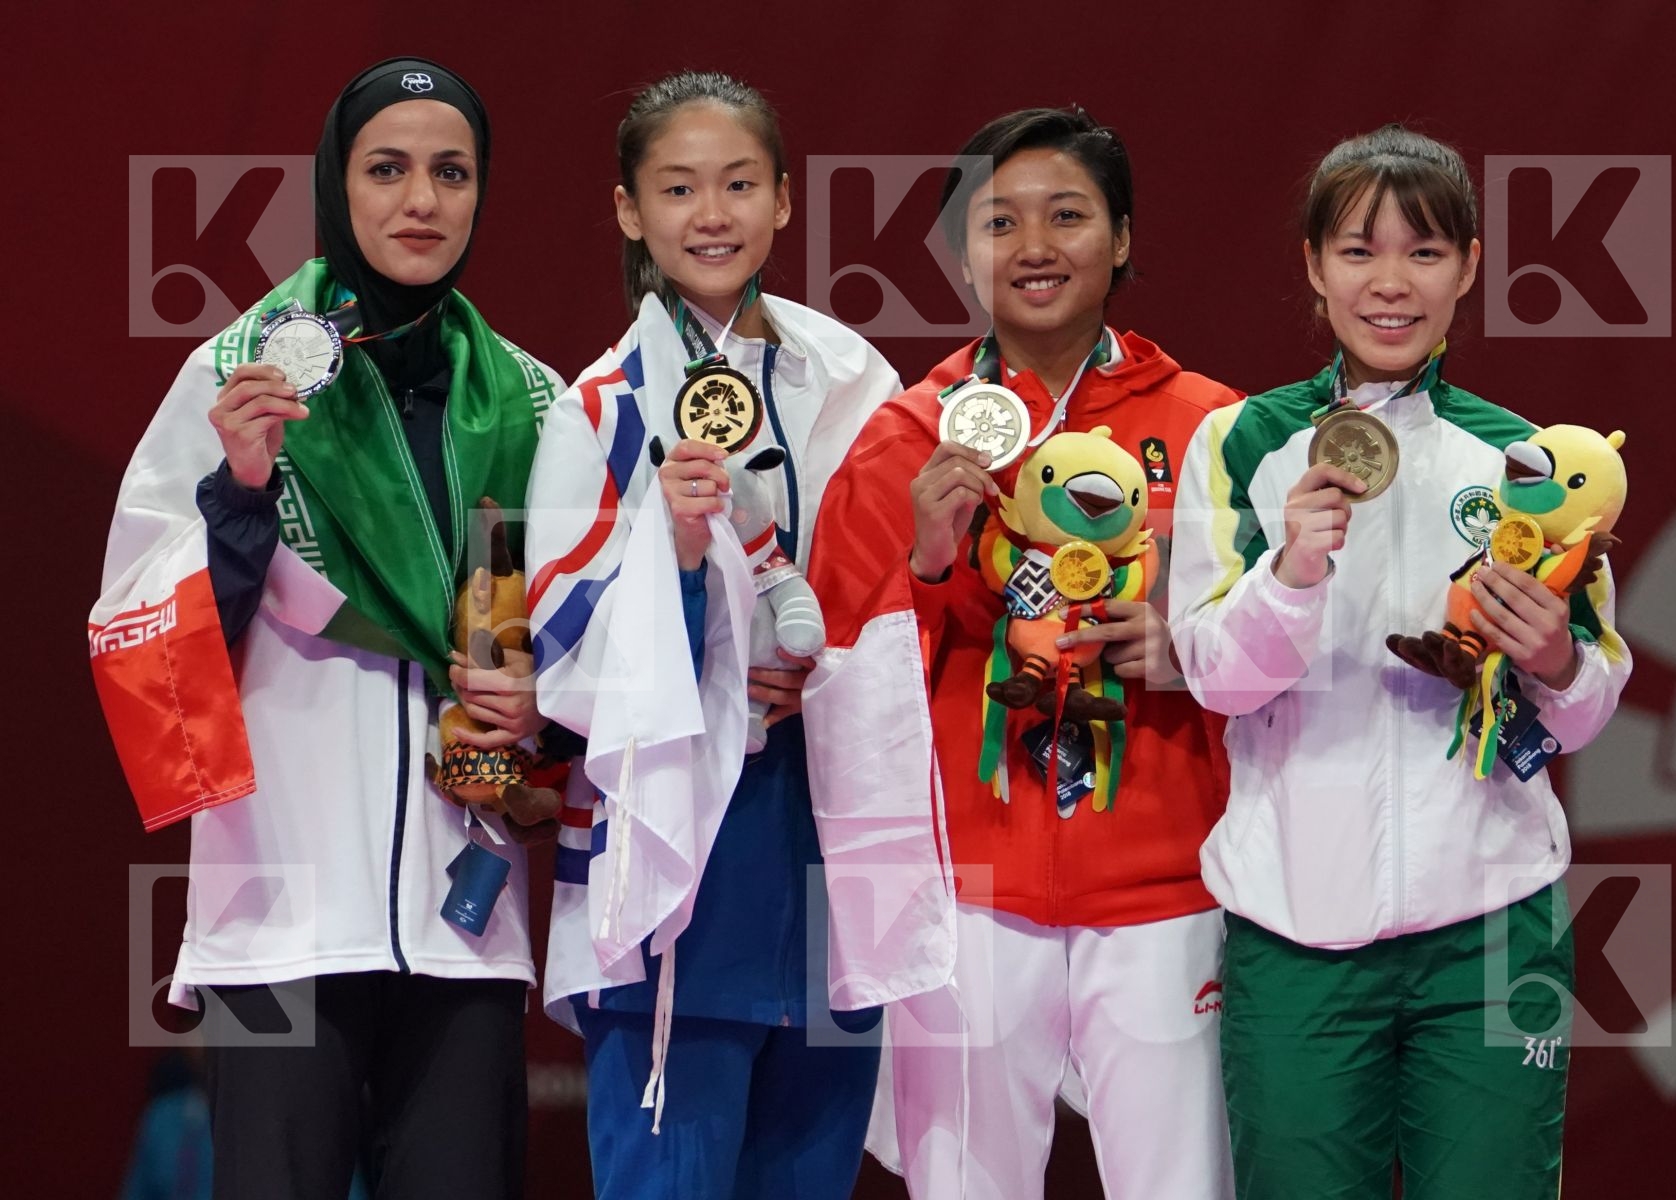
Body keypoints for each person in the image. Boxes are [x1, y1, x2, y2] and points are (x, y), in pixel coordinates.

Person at [91, 57, 563, 1200]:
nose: (421, 200)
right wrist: (243, 493)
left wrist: (545, 709)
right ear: (334, 185)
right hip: (280, 911)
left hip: (466, 906)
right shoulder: (239, 378)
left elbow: (586, 633)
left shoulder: (540, 402)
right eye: (387, 168)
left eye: (451, 172)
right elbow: (141, 635)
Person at [1167, 124, 1632, 1198]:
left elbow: (1588, 703)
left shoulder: (1529, 459)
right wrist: (1290, 574)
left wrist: (1556, 657)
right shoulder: (1244, 442)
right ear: (1313, 268)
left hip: (1489, 923)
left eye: (1424, 252)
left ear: (1470, 266)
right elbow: (1218, 678)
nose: (1391, 283)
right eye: (1359, 251)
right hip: (1293, 923)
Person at [805, 106, 1239, 1200]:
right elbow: (833, 667)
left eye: (1069, 215)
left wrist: (1186, 651)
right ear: (962, 253)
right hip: (973, 891)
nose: (1035, 245)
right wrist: (934, 561)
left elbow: (1282, 648)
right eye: (1000, 221)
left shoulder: (1216, 430)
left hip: (1165, 887)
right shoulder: (910, 435)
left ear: (1125, 237)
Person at [525, 71, 901, 1200]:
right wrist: (683, 567)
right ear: (631, 212)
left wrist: (819, 669)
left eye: (740, 184)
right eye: (678, 188)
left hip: (832, 852)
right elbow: (562, 642)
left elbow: (895, 597)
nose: (713, 213)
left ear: (785, 200)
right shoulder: (597, 408)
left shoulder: (854, 380)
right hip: (679, 877)